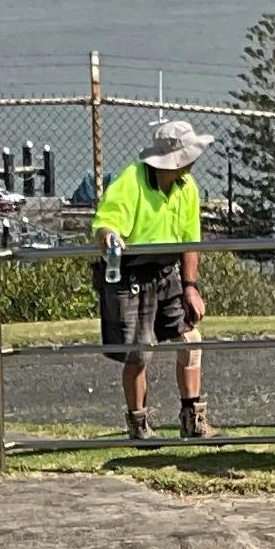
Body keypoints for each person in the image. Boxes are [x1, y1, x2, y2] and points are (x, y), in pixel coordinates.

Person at [92, 115, 218, 443]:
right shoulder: (131, 180)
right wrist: (109, 237)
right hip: (130, 275)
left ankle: (193, 419)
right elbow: (106, 223)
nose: (192, 162)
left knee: (191, 340)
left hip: (166, 273)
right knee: (139, 353)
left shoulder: (187, 187)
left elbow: (190, 241)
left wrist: (190, 287)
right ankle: (138, 424)